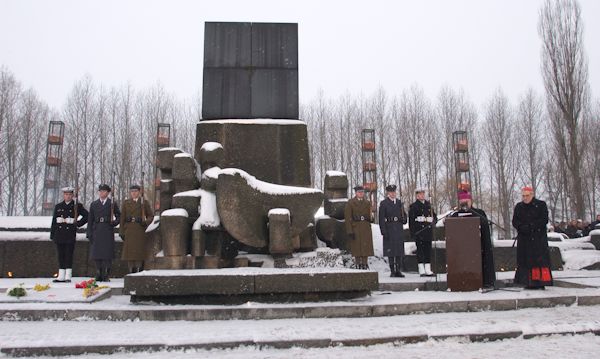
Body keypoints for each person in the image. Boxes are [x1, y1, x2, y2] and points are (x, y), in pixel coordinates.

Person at [450, 191, 496, 288]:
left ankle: (486, 281)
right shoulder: (455, 215)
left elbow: (484, 226)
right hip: (462, 249)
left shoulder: (479, 213)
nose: (464, 203)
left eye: (466, 201)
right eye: (462, 201)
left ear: (470, 201)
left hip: (478, 247)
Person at [512, 186, 553, 289]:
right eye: (523, 196)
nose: (525, 198)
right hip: (524, 239)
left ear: (532, 195)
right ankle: (526, 281)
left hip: (537, 239)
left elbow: (544, 220)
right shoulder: (519, 206)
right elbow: (515, 221)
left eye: (527, 195)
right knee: (524, 261)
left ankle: (539, 282)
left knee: (538, 261)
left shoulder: (541, 205)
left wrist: (531, 227)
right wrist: (521, 227)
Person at [50, 187, 88, 283]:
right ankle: (61, 275)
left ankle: (68, 275)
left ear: (72, 195)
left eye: (70, 194)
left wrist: (77, 223)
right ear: (63, 195)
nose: (68, 196)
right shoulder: (58, 206)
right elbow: (54, 221)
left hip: (69, 234)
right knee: (60, 255)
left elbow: (87, 216)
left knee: (68, 255)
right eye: (66, 194)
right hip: (59, 234)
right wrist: (52, 234)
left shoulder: (76, 206)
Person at [86, 184, 121, 282]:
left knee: (107, 254)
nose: (102, 193)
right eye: (100, 191)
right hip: (96, 230)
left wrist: (114, 223)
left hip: (107, 229)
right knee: (97, 254)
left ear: (108, 193)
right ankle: (98, 272)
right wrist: (89, 232)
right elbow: (90, 219)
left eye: (104, 191)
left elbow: (119, 216)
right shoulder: (94, 204)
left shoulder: (112, 203)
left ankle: (106, 274)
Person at [120, 184, 153, 273]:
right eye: (132, 191)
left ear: (139, 192)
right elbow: (122, 218)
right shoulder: (126, 203)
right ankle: (131, 270)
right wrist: (121, 231)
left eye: (135, 191)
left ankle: (139, 269)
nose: (134, 193)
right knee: (129, 254)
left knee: (139, 253)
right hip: (129, 230)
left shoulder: (144, 203)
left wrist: (145, 222)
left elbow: (150, 216)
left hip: (139, 230)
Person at [378, 184, 408, 277]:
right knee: (391, 251)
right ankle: (392, 271)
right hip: (389, 228)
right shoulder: (384, 203)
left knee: (399, 250)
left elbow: (404, 215)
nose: (393, 194)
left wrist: (404, 219)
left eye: (394, 192)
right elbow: (381, 219)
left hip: (398, 228)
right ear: (388, 193)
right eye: (391, 192)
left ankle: (398, 270)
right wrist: (383, 231)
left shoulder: (399, 203)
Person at [344, 186, 374, 269]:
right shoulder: (350, 203)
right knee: (357, 246)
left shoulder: (367, 203)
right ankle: (357, 263)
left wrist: (371, 217)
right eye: (359, 192)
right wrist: (349, 230)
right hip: (355, 227)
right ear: (356, 193)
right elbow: (348, 217)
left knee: (366, 246)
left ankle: (365, 263)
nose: (361, 193)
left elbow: (370, 217)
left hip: (365, 227)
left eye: (362, 192)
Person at [408, 188, 436, 277]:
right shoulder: (414, 206)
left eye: (423, 194)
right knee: (420, 251)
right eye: (420, 194)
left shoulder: (429, 205)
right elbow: (411, 221)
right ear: (417, 195)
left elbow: (434, 216)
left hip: (427, 232)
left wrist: (433, 221)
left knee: (428, 251)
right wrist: (413, 233)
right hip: (419, 232)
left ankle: (428, 269)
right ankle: (421, 270)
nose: (422, 195)